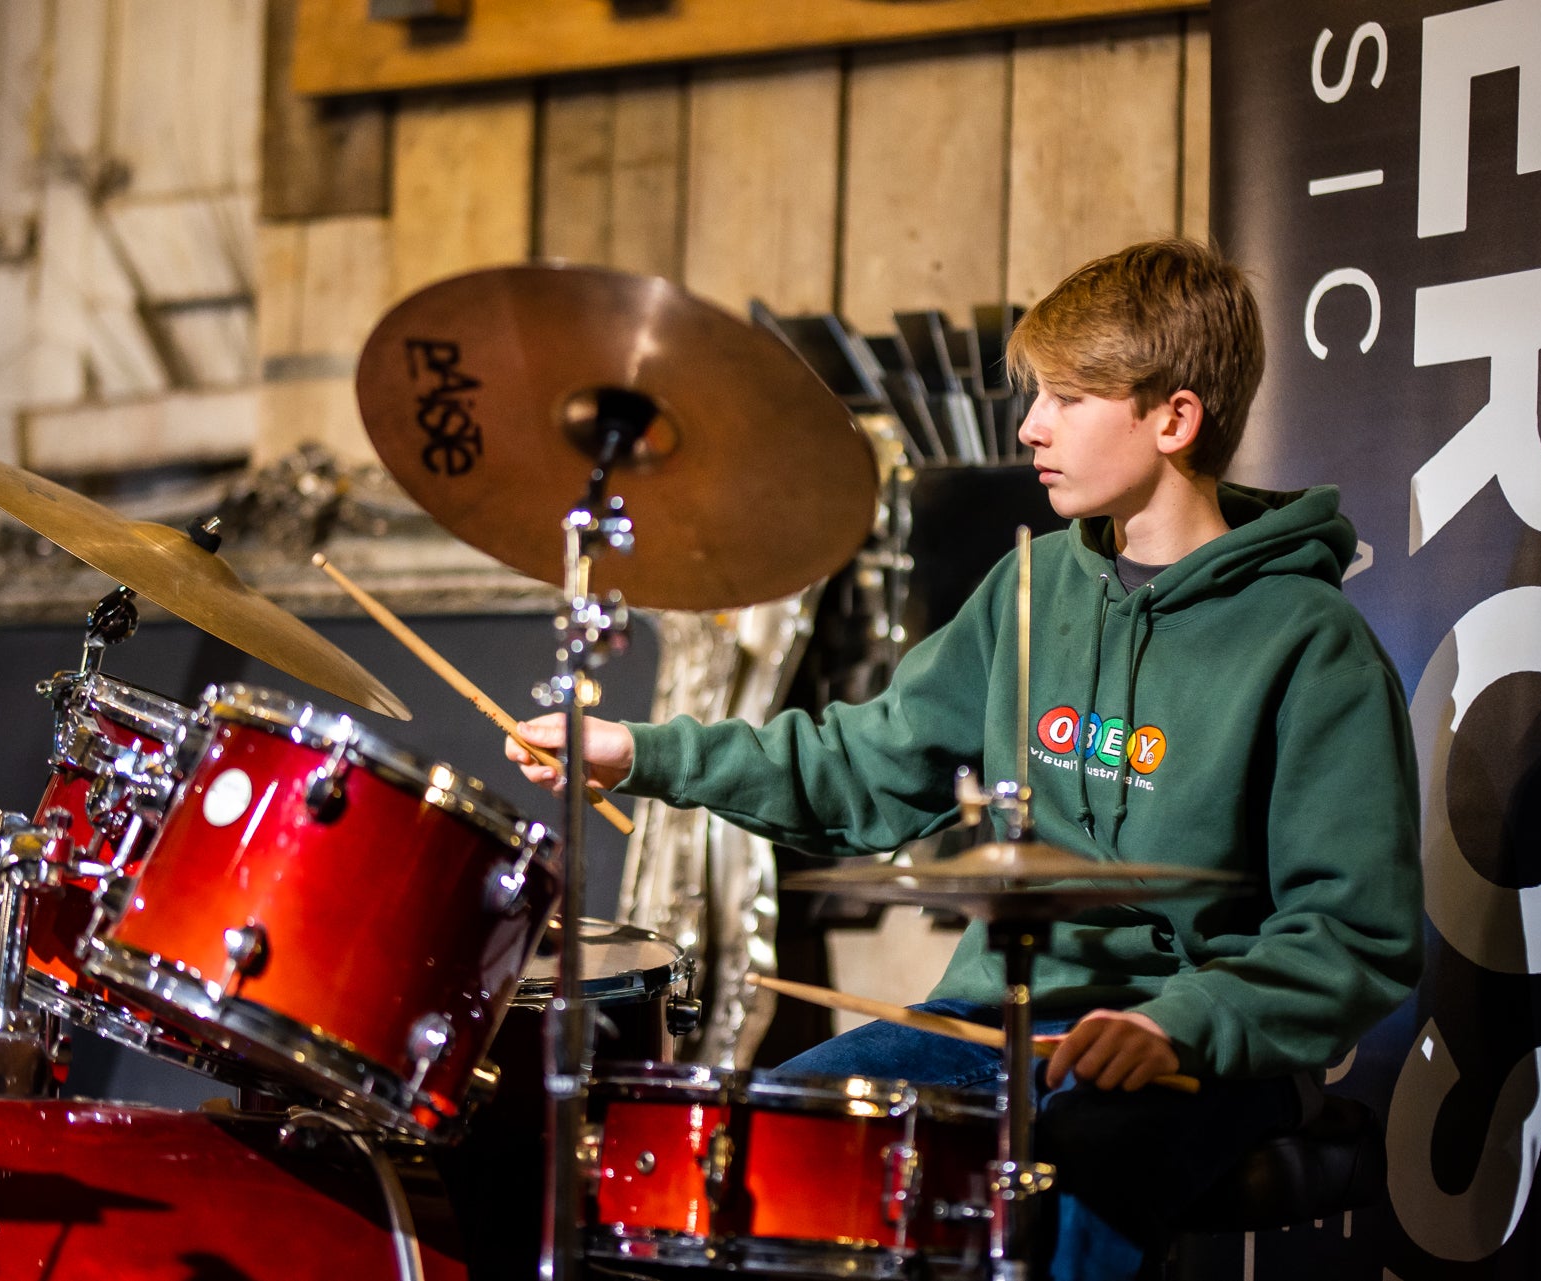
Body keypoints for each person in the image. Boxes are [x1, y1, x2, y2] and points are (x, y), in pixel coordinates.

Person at [508, 238, 1423, 1279]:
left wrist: (1186, 1020)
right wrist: (643, 753)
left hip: (1196, 1048)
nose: (1031, 427)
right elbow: (867, 766)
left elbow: (1354, 935)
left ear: (1173, 419)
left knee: (1074, 1165)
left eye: (1070, 398)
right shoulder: (1030, 590)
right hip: (986, 1023)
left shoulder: (1309, 642)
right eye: (1037, 395)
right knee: (770, 1140)